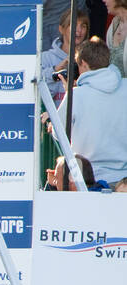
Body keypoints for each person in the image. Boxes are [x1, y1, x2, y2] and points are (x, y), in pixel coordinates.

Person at [59, 39, 127, 185]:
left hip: (88, 180)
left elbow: (59, 134)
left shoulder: (76, 95)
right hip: (124, 181)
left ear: (83, 63)